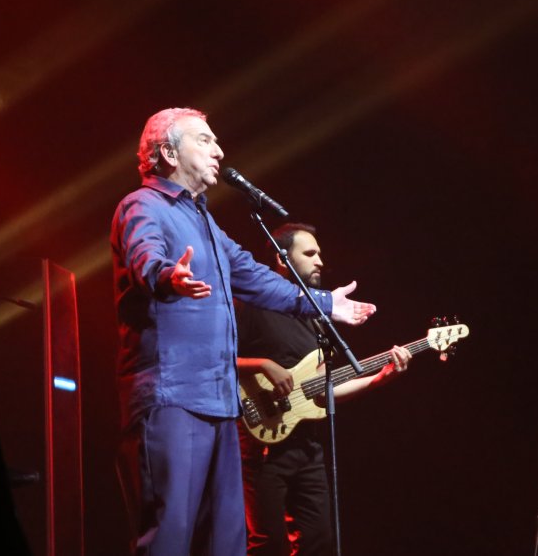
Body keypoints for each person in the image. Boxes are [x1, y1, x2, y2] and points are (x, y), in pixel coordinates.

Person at [111, 108, 377, 555]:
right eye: (205, 140)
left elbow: (254, 276)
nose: (218, 151)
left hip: (220, 402)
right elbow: (144, 254)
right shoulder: (142, 205)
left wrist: (328, 304)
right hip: (172, 395)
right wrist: (166, 275)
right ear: (168, 152)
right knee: (170, 534)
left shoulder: (204, 221)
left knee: (229, 540)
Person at [235, 223, 411, 556]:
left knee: (320, 542)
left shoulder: (316, 318)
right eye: (310, 253)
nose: (319, 261)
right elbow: (216, 360)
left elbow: (323, 391)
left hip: (308, 447)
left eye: (320, 254)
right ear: (281, 259)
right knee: (269, 544)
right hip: (263, 449)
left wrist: (380, 378)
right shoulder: (252, 306)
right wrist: (262, 365)